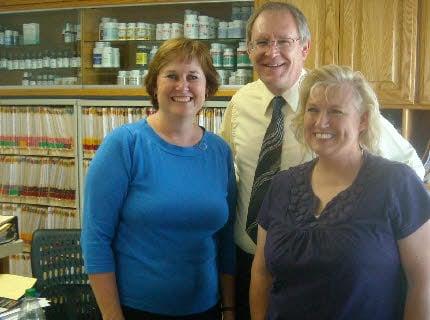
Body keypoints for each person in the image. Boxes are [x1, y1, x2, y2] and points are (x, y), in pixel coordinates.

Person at [219, 2, 425, 318]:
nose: (271, 52)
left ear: (305, 47)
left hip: (341, 273)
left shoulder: (335, 93)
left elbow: (408, 169)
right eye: (261, 42)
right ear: (249, 49)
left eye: (283, 41)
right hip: (256, 261)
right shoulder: (239, 103)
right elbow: (229, 179)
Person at [250, 64, 430, 319]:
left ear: (363, 120)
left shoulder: (397, 183)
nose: (321, 122)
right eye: (313, 109)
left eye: (336, 111)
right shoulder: (282, 185)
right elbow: (261, 272)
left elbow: (423, 284)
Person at [81, 38, 236, 320]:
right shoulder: (124, 145)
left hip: (207, 308)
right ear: (154, 85)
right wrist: (112, 316)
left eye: (193, 77)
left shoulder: (219, 152)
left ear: (208, 87)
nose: (183, 86)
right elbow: (95, 239)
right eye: (171, 76)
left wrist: (229, 307)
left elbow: (225, 241)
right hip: (135, 310)